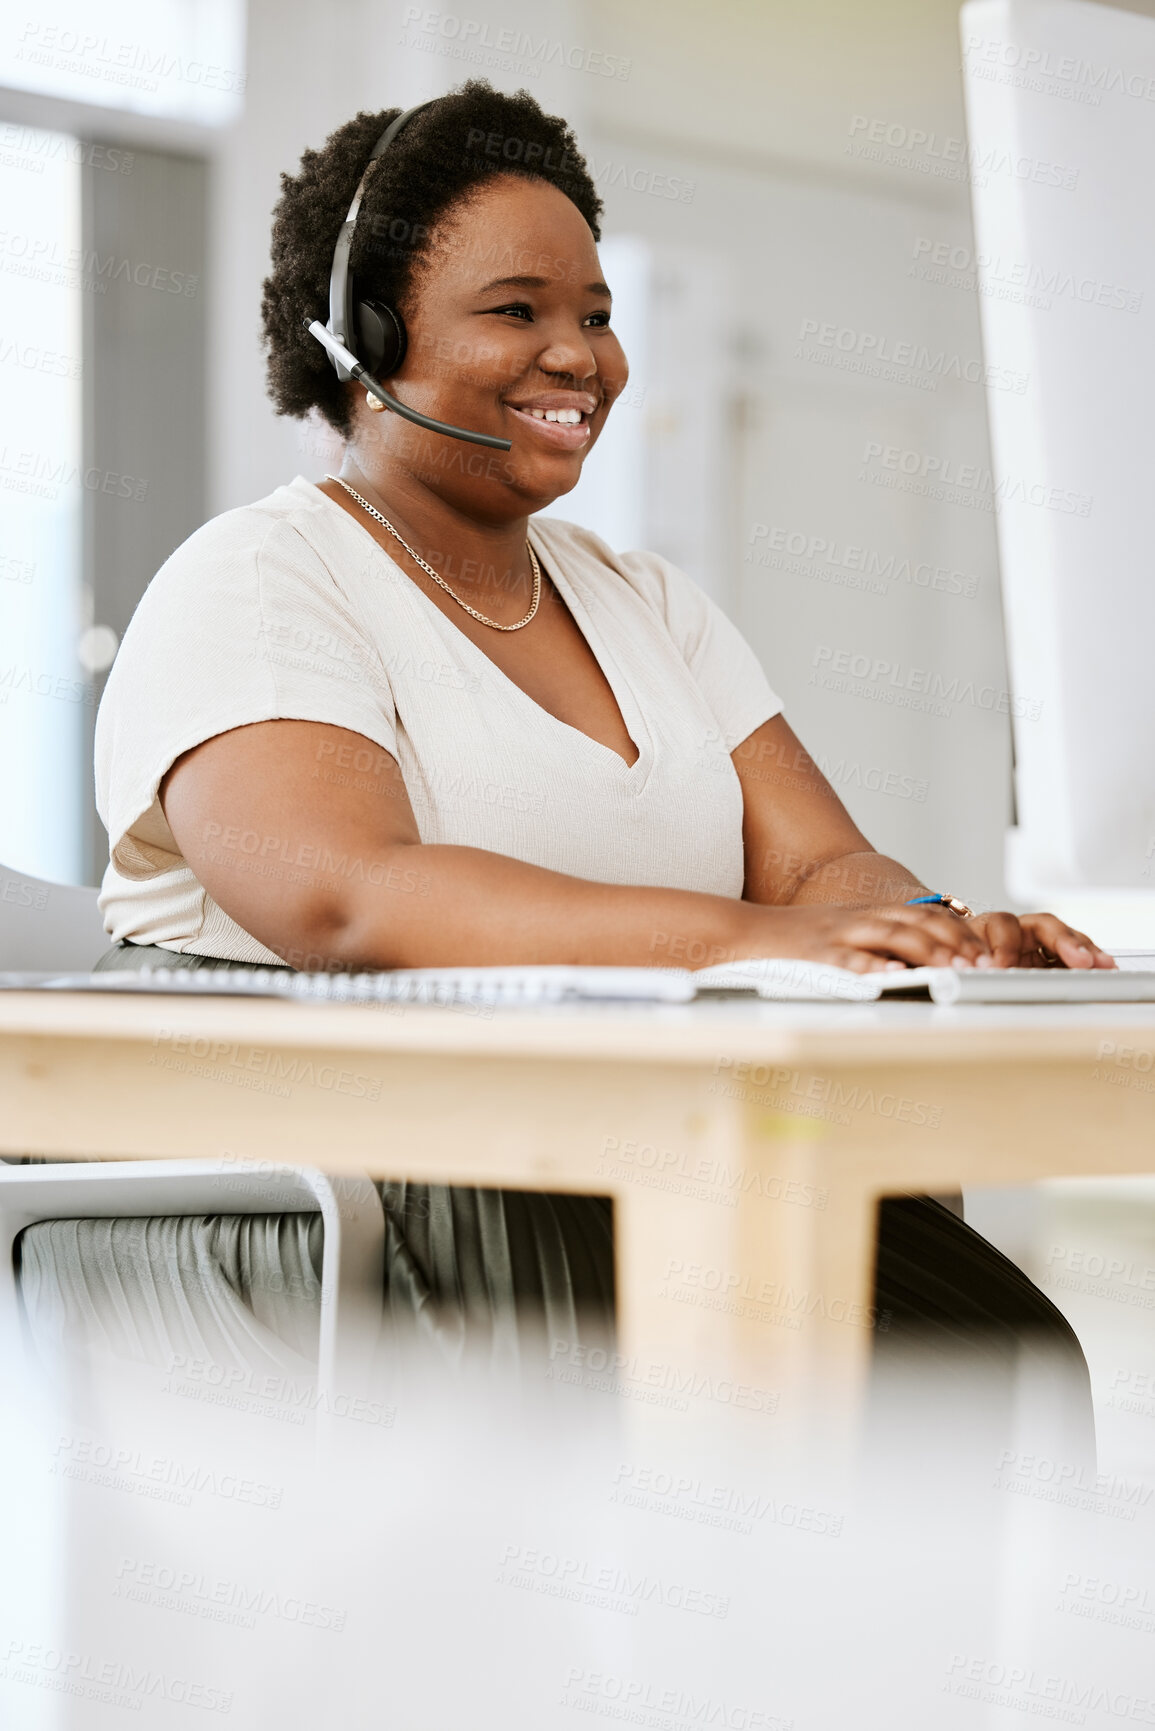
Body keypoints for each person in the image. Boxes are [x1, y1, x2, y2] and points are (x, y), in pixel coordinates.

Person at [87, 81, 1108, 1380]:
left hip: (609, 1149)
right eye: (518, 312)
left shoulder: (643, 600)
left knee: (1001, 1359)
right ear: (365, 338)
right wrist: (754, 939)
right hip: (359, 1176)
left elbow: (813, 870)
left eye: (598, 316)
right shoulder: (262, 579)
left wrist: (936, 931)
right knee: (804, 1382)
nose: (584, 357)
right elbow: (346, 899)